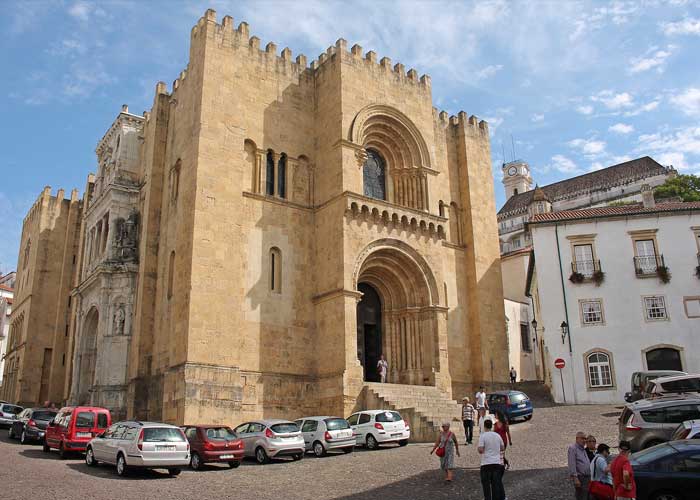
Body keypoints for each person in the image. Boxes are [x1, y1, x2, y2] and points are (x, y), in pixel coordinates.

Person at [479, 418, 505, 500]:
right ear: (491, 426)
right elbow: (502, 447)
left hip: (486, 463)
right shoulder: (497, 436)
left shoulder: (483, 436)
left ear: (484, 426)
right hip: (496, 463)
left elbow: (480, 450)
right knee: (495, 485)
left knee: (486, 486)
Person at [568, 431, 592, 500]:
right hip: (581, 478)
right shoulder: (573, 448)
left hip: (587, 477)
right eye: (582, 438)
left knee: (587, 496)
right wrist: (575, 478)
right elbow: (572, 463)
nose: (584, 440)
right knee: (582, 497)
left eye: (585, 439)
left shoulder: (583, 449)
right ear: (577, 439)